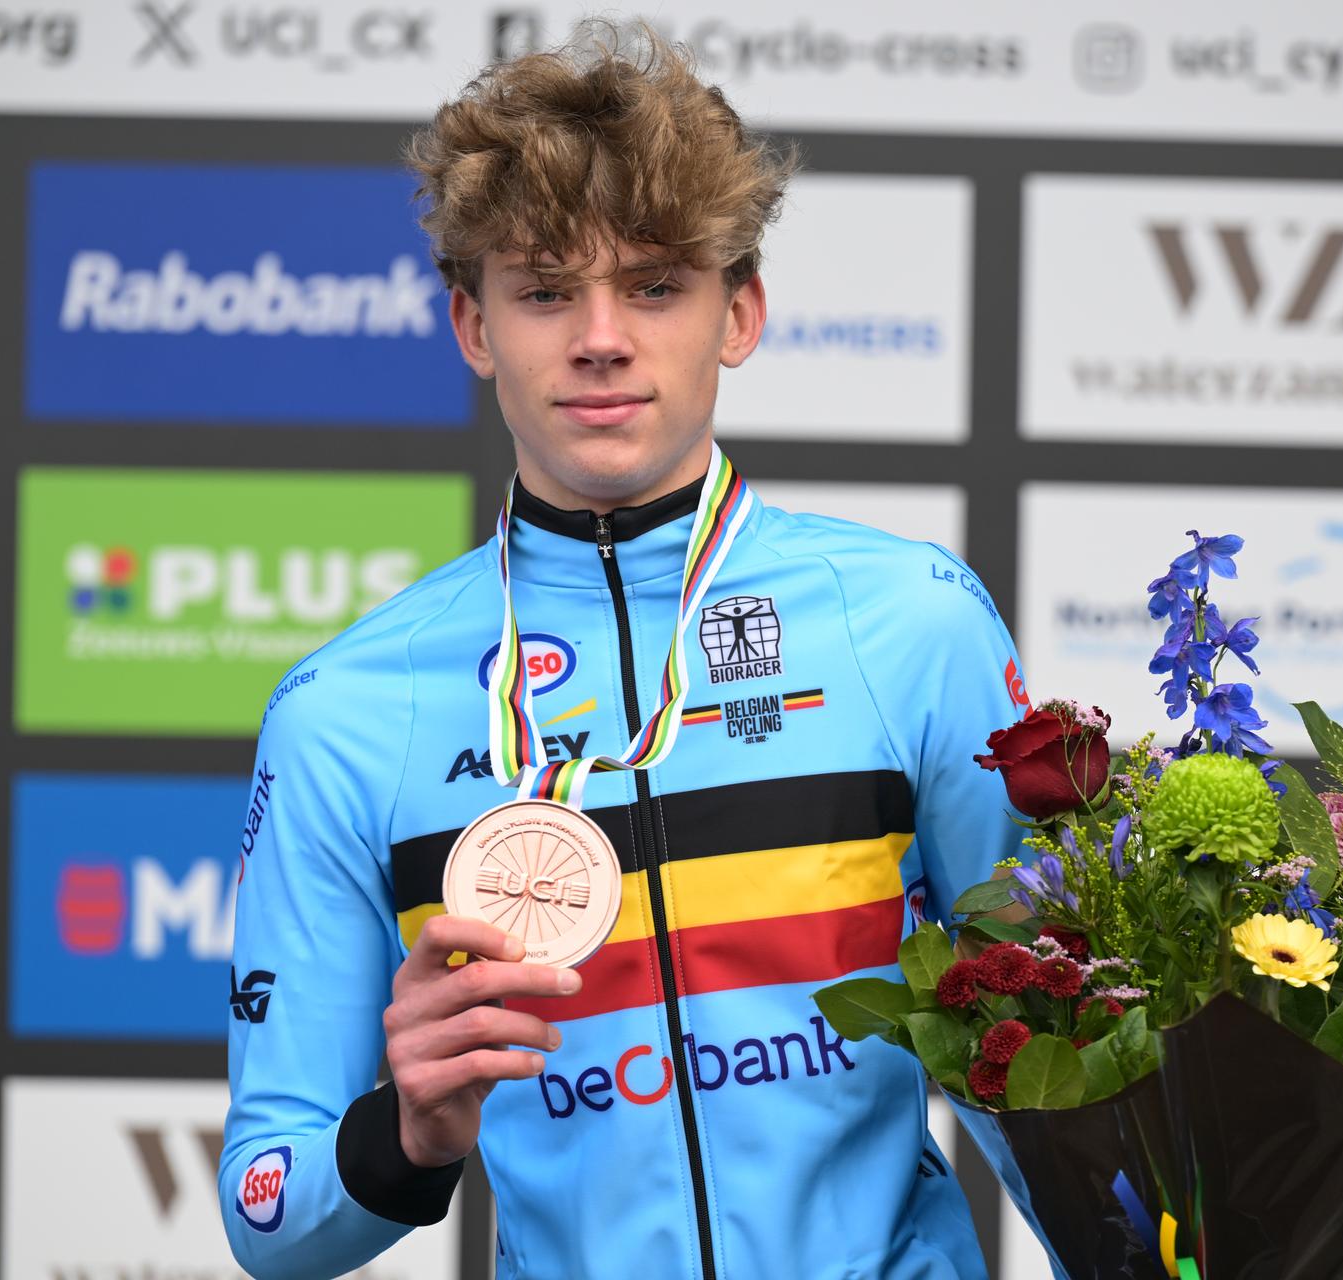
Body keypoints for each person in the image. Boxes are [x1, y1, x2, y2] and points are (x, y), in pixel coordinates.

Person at [219, 21, 1029, 1280]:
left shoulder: (912, 622)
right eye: (543, 289)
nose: (601, 337)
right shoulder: (346, 710)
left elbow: (1058, 1071)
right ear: (474, 326)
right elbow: (267, 1211)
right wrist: (411, 1133)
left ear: (739, 310)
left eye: (655, 284)